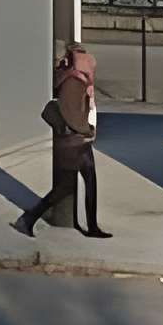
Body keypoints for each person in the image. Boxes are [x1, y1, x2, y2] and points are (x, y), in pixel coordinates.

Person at [23, 42, 106, 238]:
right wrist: (87, 130)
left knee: (88, 181)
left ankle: (92, 227)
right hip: (74, 141)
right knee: (65, 187)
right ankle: (29, 218)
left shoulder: (78, 80)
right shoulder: (74, 81)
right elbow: (70, 112)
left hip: (78, 140)